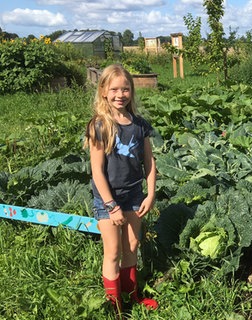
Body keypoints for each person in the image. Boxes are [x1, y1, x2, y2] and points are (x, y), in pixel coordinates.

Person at [83, 64, 158, 315]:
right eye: (114, 89)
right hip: (109, 198)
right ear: (103, 91)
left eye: (125, 89)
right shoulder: (100, 125)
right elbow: (97, 172)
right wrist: (111, 206)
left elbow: (149, 161)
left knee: (133, 245)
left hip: (134, 194)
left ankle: (132, 296)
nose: (120, 94)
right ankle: (116, 307)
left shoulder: (139, 124)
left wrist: (150, 193)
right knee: (113, 251)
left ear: (131, 91)